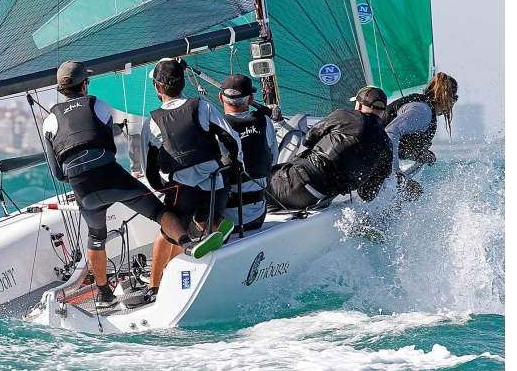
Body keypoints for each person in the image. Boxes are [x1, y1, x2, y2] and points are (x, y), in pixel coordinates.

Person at [42, 60, 220, 309]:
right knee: (161, 213)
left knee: (96, 237)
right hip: (113, 178)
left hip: (84, 190)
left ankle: (104, 295)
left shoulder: (48, 122)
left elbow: (58, 174)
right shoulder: (100, 105)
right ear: (85, 85)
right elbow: (110, 149)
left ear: (61, 90)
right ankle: (188, 246)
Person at [140, 58, 241, 303]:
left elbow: (148, 168)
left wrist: (161, 188)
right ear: (184, 83)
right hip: (214, 183)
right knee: (207, 216)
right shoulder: (202, 107)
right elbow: (231, 138)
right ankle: (217, 225)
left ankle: (154, 286)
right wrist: (232, 164)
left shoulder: (151, 121)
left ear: (157, 88)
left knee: (168, 230)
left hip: (181, 188)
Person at [265, 86, 393, 210]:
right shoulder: (387, 145)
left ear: (358, 106)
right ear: (384, 113)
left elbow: (308, 138)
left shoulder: (345, 115)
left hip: (295, 181)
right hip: (319, 198)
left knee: (253, 185)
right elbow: (368, 194)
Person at [218, 74, 278, 232]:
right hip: (257, 218)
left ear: (221, 98)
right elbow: (273, 161)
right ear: (251, 100)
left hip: (225, 221)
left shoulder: (215, 128)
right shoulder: (265, 122)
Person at [383, 72, 458, 173]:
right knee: (415, 188)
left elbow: (403, 146)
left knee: (414, 187)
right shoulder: (422, 111)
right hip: (370, 156)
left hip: (378, 158)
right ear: (447, 98)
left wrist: (420, 155)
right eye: (455, 98)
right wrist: (395, 172)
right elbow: (391, 133)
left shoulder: (425, 111)